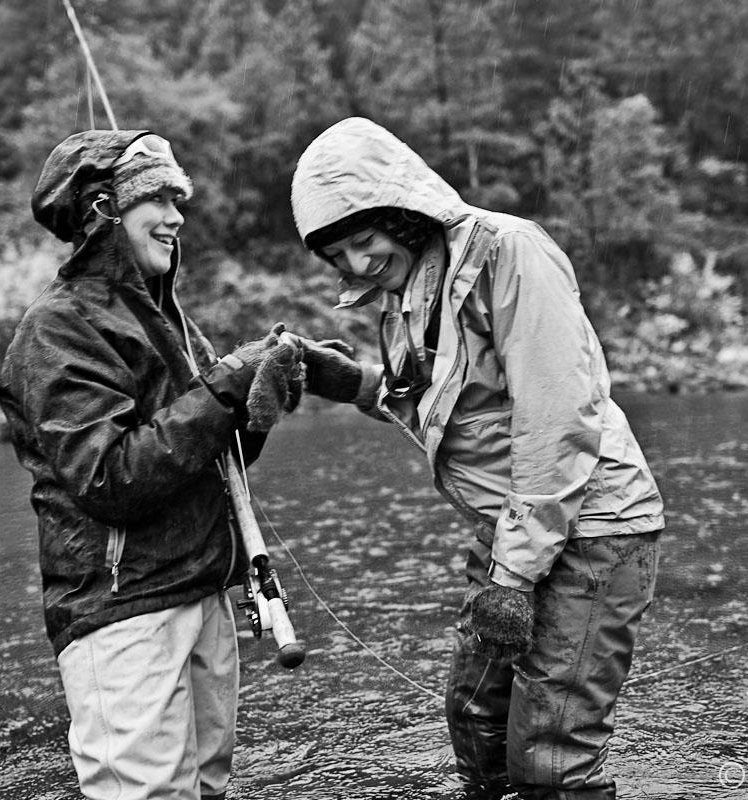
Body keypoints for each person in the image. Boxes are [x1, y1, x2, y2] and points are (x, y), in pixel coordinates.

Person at [288, 117, 666, 800]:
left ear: (404, 215)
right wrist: (345, 381)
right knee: (475, 719)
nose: (356, 266)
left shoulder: (509, 251)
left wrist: (512, 581)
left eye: (365, 242)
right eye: (338, 255)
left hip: (596, 531)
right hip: (512, 534)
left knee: (548, 763)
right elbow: (442, 410)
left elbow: (557, 419)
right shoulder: (407, 289)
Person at [0, 129, 299, 800]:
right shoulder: (58, 328)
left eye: (177, 199)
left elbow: (215, 460)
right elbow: (110, 479)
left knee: (210, 789)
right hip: (122, 613)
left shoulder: (177, 328)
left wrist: (255, 409)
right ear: (104, 210)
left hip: (202, 590)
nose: (176, 217)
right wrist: (223, 389)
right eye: (156, 200)